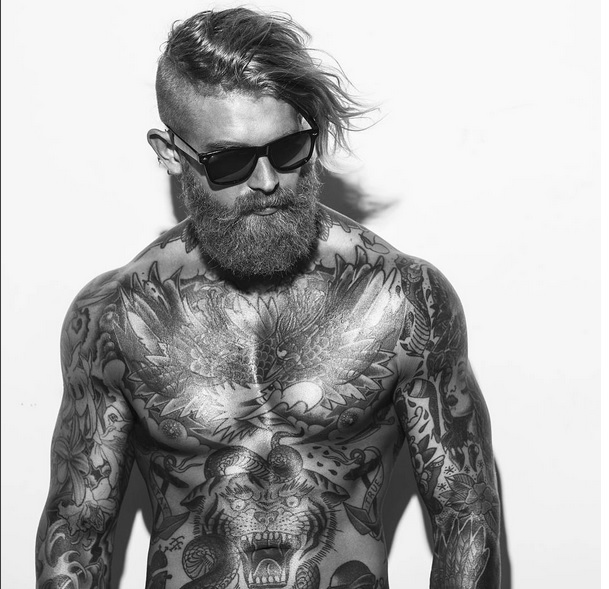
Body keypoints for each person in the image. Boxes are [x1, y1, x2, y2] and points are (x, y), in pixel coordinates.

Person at [36, 7, 501, 589]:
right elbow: (78, 532)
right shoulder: (116, 316)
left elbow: (465, 513)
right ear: (170, 152)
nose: (266, 182)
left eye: (288, 150)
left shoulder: (402, 299)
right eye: (230, 161)